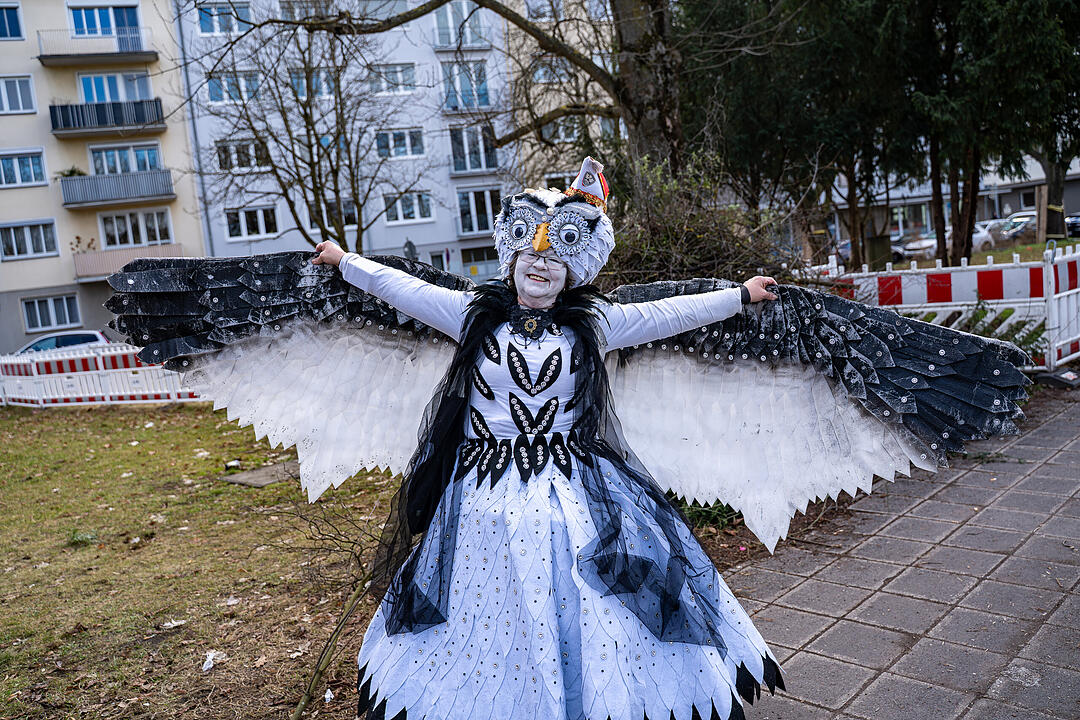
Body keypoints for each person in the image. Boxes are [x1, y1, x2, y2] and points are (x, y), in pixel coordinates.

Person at [310, 158, 783, 720]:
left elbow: (667, 314)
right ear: (511, 260)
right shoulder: (470, 315)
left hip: (574, 488)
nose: (540, 264)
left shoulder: (597, 324)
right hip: (482, 494)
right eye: (531, 255)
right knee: (491, 608)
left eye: (555, 258)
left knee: (583, 599)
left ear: (572, 271)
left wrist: (739, 295)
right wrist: (345, 262)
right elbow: (402, 289)